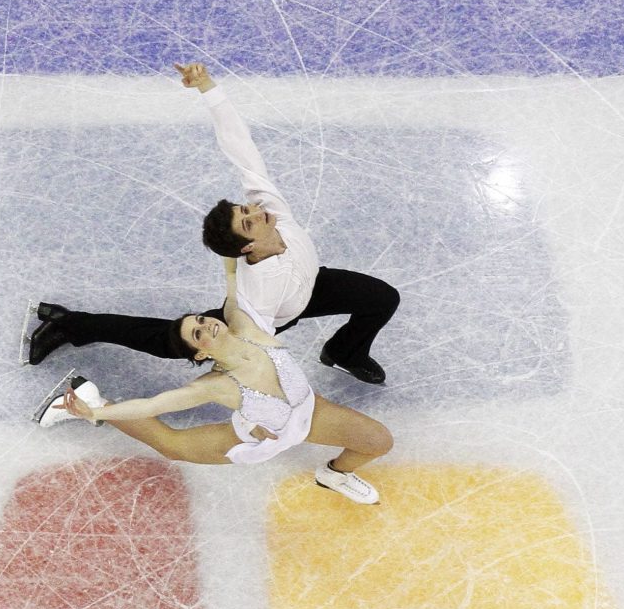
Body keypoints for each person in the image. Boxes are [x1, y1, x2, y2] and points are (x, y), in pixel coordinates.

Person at [23, 62, 399, 384]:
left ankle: (345, 351)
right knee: (170, 341)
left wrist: (208, 89)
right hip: (273, 311)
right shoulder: (260, 292)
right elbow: (257, 343)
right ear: (248, 248)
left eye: (245, 210)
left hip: (311, 283)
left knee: (381, 298)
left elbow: (241, 146)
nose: (256, 212)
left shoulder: (270, 210)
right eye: (249, 222)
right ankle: (71, 324)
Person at [34, 258, 392, 504]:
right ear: (201, 354)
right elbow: (153, 406)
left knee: (378, 441)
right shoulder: (216, 386)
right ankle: (95, 400)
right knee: (172, 445)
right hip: (255, 435)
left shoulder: (249, 328)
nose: (208, 324)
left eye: (202, 320)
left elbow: (234, 286)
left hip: (309, 414)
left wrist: (228, 256)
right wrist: (96, 416)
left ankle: (333, 475)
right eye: (198, 333)